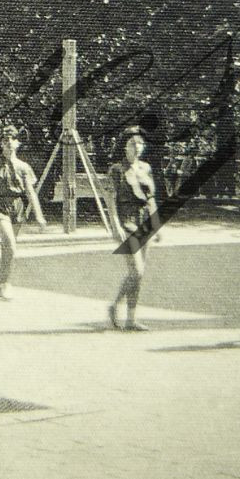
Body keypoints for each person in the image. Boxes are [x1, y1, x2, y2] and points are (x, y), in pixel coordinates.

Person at [0, 124, 48, 299]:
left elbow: (30, 192)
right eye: (5, 140)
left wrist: (38, 215)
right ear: (1, 143)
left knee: (7, 249)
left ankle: (2, 284)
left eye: (13, 140)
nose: (9, 143)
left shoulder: (24, 167)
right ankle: (6, 284)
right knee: (10, 245)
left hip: (16, 207)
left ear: (18, 143)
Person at [105, 126, 159, 331]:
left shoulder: (146, 168)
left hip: (144, 220)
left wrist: (156, 224)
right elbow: (110, 199)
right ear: (124, 147)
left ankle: (131, 318)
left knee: (140, 273)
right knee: (135, 270)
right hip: (126, 220)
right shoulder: (116, 170)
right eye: (132, 143)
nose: (137, 147)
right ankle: (114, 306)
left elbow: (151, 198)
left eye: (139, 143)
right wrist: (115, 225)